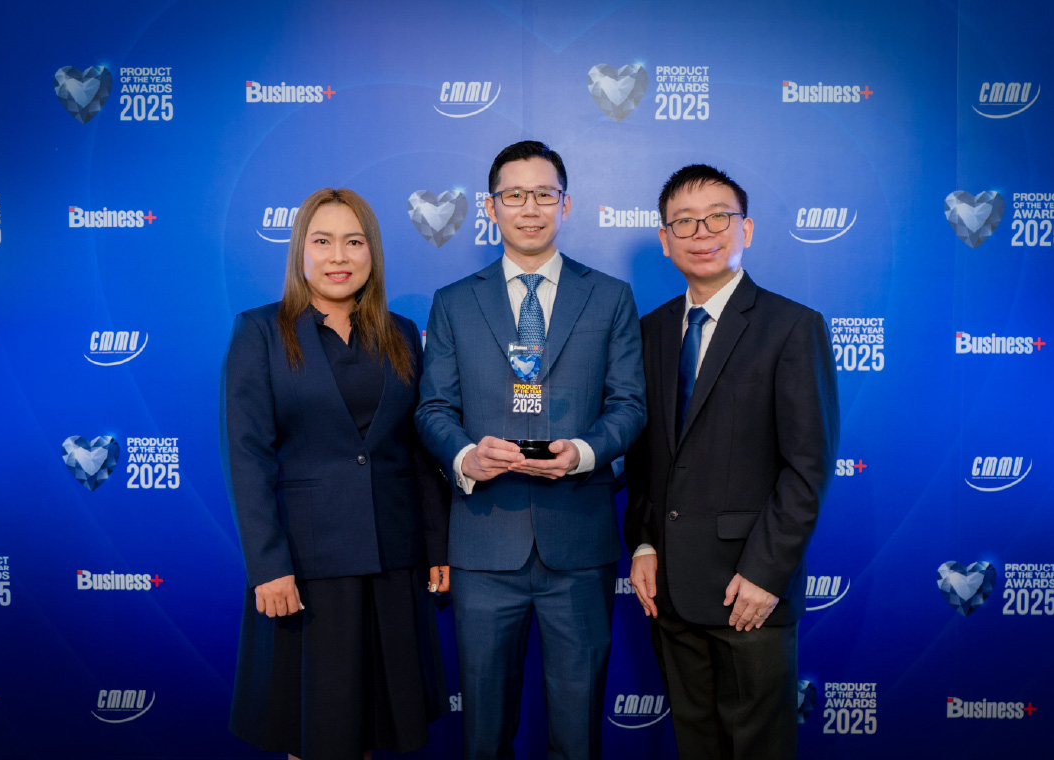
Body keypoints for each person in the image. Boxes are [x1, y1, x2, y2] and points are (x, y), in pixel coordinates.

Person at [416, 140, 646, 759]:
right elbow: (433, 409)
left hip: (579, 544)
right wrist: (466, 457)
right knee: (484, 736)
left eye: (544, 194)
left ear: (565, 204)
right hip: (484, 546)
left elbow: (630, 405)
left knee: (578, 735)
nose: (530, 207)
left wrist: (584, 452)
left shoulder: (610, 297)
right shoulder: (454, 302)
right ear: (491, 206)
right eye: (514, 195)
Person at [221, 188, 450, 760]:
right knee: (315, 733)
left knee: (373, 729)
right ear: (300, 250)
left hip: (392, 561)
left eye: (354, 241)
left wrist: (437, 547)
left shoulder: (402, 333)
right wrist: (268, 567)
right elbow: (247, 456)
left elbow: (418, 450)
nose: (339, 256)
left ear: (373, 252)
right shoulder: (260, 332)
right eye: (322, 241)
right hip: (307, 569)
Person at [625, 165, 840, 759]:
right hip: (670, 592)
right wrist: (643, 542)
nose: (702, 233)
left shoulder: (792, 326)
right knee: (696, 746)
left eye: (718, 218)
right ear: (665, 239)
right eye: (684, 222)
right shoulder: (650, 331)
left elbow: (807, 468)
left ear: (746, 229)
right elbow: (644, 456)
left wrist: (767, 575)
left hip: (749, 592)